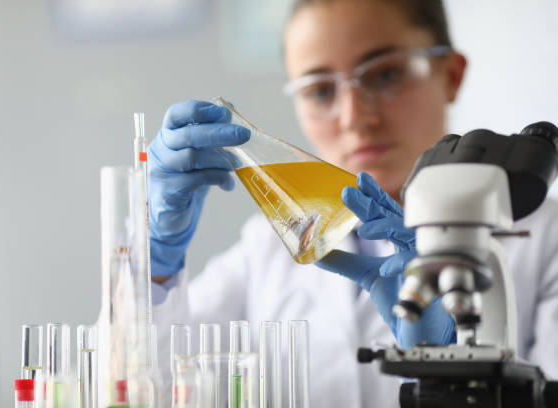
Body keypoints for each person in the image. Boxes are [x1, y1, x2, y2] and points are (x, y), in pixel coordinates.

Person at [148, 0, 558, 406]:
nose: (354, 116)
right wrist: (154, 264)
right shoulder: (263, 253)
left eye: (386, 75)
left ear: (450, 75)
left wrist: (463, 370)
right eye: (321, 90)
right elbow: (144, 385)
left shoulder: (547, 237)